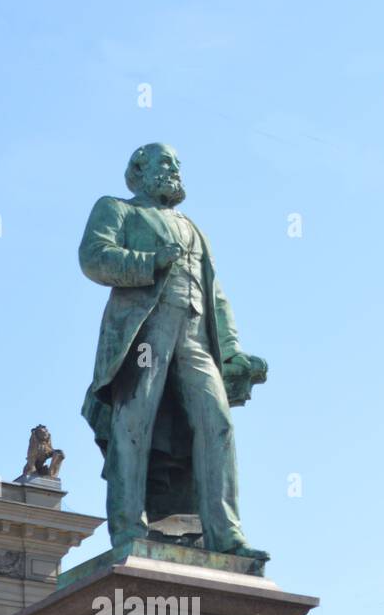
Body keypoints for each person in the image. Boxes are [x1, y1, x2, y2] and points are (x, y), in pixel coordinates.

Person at [80, 143, 267, 556]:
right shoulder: (118, 209)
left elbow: (216, 294)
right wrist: (151, 261)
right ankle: (130, 531)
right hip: (145, 330)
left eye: (177, 163)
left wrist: (233, 351)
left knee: (217, 423)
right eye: (165, 162)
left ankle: (226, 535)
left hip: (195, 333)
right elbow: (93, 258)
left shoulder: (193, 227)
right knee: (134, 423)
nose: (174, 169)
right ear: (139, 171)